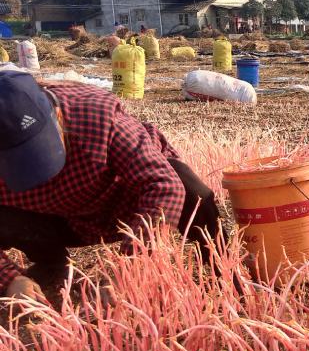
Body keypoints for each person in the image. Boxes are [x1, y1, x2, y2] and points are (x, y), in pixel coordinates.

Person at [0, 71, 220, 304]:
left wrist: (130, 266)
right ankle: (50, 263)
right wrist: (9, 278)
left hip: (126, 205)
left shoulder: (96, 114)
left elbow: (163, 185)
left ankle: (221, 261)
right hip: (58, 221)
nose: (37, 171)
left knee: (191, 190)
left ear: (57, 115)